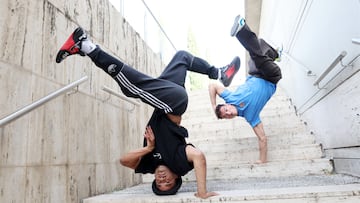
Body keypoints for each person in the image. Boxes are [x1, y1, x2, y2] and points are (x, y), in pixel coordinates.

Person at [55, 27, 240, 198]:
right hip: (174, 104)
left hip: (168, 97)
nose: (162, 180)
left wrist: (149, 148)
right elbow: (198, 157)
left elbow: (123, 160)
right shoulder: (180, 163)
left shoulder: (149, 163)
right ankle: (85, 45)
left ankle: (218, 73)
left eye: (159, 184)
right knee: (131, 88)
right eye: (168, 183)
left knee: (182, 57)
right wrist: (202, 192)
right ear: (176, 177)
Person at [208, 15, 282, 164]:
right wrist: (262, 160)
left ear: (227, 105)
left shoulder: (230, 98)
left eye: (226, 110)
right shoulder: (250, 116)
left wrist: (214, 105)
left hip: (256, 73)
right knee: (258, 57)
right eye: (226, 115)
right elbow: (262, 138)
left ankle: (275, 54)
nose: (228, 113)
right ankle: (242, 30)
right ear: (230, 118)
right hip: (271, 77)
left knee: (258, 49)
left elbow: (213, 86)